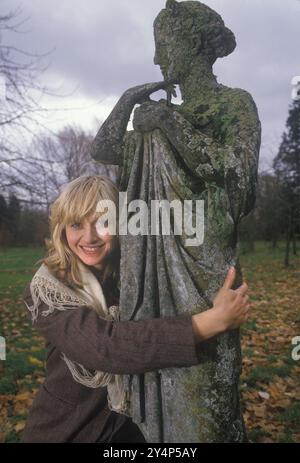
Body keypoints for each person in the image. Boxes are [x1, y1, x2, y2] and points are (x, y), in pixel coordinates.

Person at [21, 175, 250, 443]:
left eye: (102, 222)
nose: (89, 236)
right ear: (62, 229)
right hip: (68, 432)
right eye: (76, 224)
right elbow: (105, 348)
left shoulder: (130, 276)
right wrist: (210, 322)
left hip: (128, 429)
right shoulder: (48, 291)